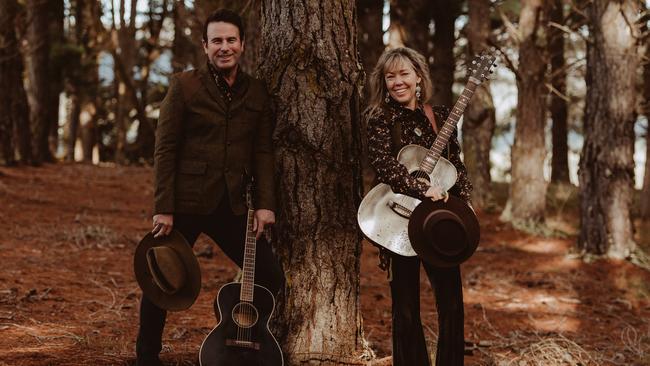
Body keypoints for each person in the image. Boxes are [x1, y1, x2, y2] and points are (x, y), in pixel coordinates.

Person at [136, 9, 284, 366]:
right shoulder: (184, 87)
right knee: (162, 278)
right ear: (205, 46)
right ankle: (146, 356)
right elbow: (165, 149)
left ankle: (242, 340)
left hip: (230, 205)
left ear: (243, 44)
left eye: (230, 40)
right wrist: (163, 207)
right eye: (216, 40)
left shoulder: (257, 92)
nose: (224, 47)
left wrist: (265, 204)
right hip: (184, 204)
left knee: (270, 274)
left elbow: (263, 150)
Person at [365, 47, 473, 366]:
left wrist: (462, 204)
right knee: (406, 305)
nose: (397, 82)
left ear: (418, 77)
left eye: (404, 74)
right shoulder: (380, 118)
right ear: (384, 83)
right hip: (398, 216)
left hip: (438, 216)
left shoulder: (437, 115)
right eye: (390, 76)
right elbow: (383, 164)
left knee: (451, 301)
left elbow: (457, 163)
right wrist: (421, 186)